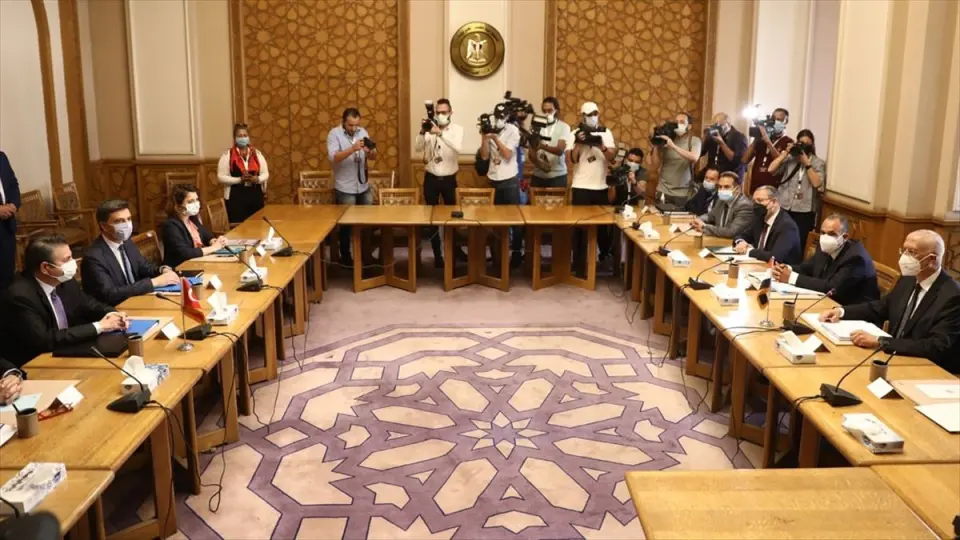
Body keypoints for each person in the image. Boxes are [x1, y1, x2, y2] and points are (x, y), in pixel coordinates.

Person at [820, 230, 960, 373]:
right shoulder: (908, 278)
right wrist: (842, 312)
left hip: (927, 369)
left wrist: (880, 341)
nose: (905, 256)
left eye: (912, 252)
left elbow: (935, 346)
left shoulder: (953, 296)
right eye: (904, 250)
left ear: (932, 260)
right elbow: (883, 306)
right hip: (893, 357)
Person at [0, 234, 126, 367]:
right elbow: (45, 340)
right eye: (67, 259)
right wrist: (99, 326)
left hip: (68, 350)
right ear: (45, 268)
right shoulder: (20, 296)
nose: (73, 262)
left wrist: (113, 314)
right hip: (35, 363)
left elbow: (89, 304)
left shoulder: (64, 281)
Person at [81, 199, 180, 305]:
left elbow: (143, 268)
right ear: (104, 226)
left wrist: (162, 270)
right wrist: (154, 282)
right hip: (117, 308)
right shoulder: (93, 257)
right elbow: (110, 294)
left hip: (139, 300)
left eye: (128, 219)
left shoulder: (127, 242)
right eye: (119, 221)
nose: (127, 225)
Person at [772, 214, 879, 305]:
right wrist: (785, 269)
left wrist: (791, 277)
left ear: (845, 237)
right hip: (826, 303)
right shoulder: (824, 247)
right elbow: (806, 268)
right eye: (823, 233)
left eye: (831, 234)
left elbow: (831, 288)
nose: (825, 238)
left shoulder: (856, 258)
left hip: (851, 311)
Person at [568, 102, 616, 274]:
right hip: (581, 186)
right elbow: (571, 160)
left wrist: (600, 145)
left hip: (600, 186)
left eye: (595, 113)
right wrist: (578, 143)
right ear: (583, 116)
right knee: (580, 229)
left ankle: (605, 258)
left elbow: (612, 157)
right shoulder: (574, 133)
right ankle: (579, 265)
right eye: (588, 115)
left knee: (603, 228)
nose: (592, 117)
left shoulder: (605, 132)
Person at [416, 98, 463, 267]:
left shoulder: (457, 130)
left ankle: (454, 253)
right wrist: (423, 132)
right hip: (431, 178)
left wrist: (440, 134)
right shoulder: (429, 127)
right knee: (432, 219)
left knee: (453, 218)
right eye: (438, 112)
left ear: (451, 112)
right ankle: (437, 256)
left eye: (444, 112)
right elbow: (418, 148)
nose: (441, 115)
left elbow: (458, 147)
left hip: (449, 179)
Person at [328, 108, 377, 265]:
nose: (354, 128)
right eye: (350, 125)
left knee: (367, 223)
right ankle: (346, 257)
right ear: (344, 122)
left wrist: (371, 152)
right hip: (345, 187)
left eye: (356, 124)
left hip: (363, 185)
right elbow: (334, 157)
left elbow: (373, 156)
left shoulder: (363, 132)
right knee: (346, 225)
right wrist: (352, 148)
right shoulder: (334, 134)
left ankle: (366, 255)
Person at [480, 107, 523, 267]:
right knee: (494, 221)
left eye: (501, 117)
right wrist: (484, 138)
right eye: (496, 116)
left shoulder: (513, 131)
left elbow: (507, 155)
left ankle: (516, 253)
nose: (498, 120)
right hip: (493, 179)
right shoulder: (489, 129)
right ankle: (497, 256)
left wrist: (495, 138)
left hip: (509, 179)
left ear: (507, 117)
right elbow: (484, 156)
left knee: (514, 220)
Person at [767, 129, 826, 246]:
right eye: (801, 143)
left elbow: (817, 183)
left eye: (807, 144)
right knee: (780, 237)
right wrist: (786, 152)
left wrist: (807, 164)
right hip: (784, 204)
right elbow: (771, 169)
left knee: (799, 241)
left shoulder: (818, 163)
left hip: (804, 209)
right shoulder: (790, 159)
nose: (803, 147)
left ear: (812, 145)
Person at [160, 185, 228, 269]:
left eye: (196, 200)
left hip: (196, 263)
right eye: (190, 201)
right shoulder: (170, 226)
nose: (196, 204)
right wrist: (213, 248)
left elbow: (206, 235)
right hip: (180, 268)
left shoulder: (192, 218)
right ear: (177, 205)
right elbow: (184, 253)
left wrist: (214, 241)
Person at [733, 186, 802, 264]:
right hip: (758, 264)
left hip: (780, 268)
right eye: (754, 201)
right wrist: (741, 243)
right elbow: (741, 235)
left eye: (760, 200)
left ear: (774, 202)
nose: (756, 205)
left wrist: (749, 250)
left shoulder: (787, 226)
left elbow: (775, 257)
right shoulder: (760, 217)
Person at [217, 123, 269, 223]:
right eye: (240, 136)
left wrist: (257, 179)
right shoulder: (227, 155)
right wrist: (239, 180)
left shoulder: (257, 154)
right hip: (236, 197)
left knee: (257, 225)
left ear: (248, 137)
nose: (242, 138)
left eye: (245, 135)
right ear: (235, 138)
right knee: (238, 226)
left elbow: (265, 174)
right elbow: (220, 177)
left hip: (255, 196)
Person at [651, 112, 702, 206]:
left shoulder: (694, 140)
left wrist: (673, 146)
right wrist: (656, 146)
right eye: (676, 122)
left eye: (682, 122)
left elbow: (694, 157)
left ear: (689, 126)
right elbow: (654, 166)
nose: (678, 124)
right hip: (663, 190)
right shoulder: (667, 140)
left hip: (683, 193)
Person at [742, 107, 792, 192]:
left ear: (786, 122)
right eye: (773, 119)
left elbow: (780, 163)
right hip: (756, 188)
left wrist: (768, 142)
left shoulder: (788, 142)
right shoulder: (761, 140)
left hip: (774, 189)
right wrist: (755, 140)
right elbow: (744, 160)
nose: (775, 122)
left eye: (779, 120)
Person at [691, 171, 753, 239]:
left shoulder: (745, 206)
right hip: (719, 239)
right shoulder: (721, 200)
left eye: (726, 187)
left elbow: (731, 232)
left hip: (733, 243)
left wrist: (704, 227)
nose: (722, 190)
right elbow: (710, 216)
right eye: (720, 187)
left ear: (738, 189)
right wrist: (698, 220)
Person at [528, 97, 571, 188]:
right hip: (538, 175)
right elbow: (531, 153)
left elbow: (560, 150)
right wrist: (540, 165)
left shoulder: (564, 127)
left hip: (557, 176)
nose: (547, 113)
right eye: (544, 111)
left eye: (550, 110)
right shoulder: (536, 126)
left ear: (556, 110)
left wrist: (542, 146)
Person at [699, 112, 747, 178]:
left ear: (728, 124)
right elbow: (700, 153)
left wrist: (721, 143)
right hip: (712, 171)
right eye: (715, 125)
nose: (717, 128)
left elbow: (737, 161)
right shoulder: (713, 135)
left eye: (720, 125)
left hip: (730, 173)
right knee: (696, 180)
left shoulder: (739, 137)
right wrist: (705, 137)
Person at [0, 151, 20, 289]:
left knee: (7, 277)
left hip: (7, 227)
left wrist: (13, 204)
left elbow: (13, 184)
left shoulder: (1, 157)